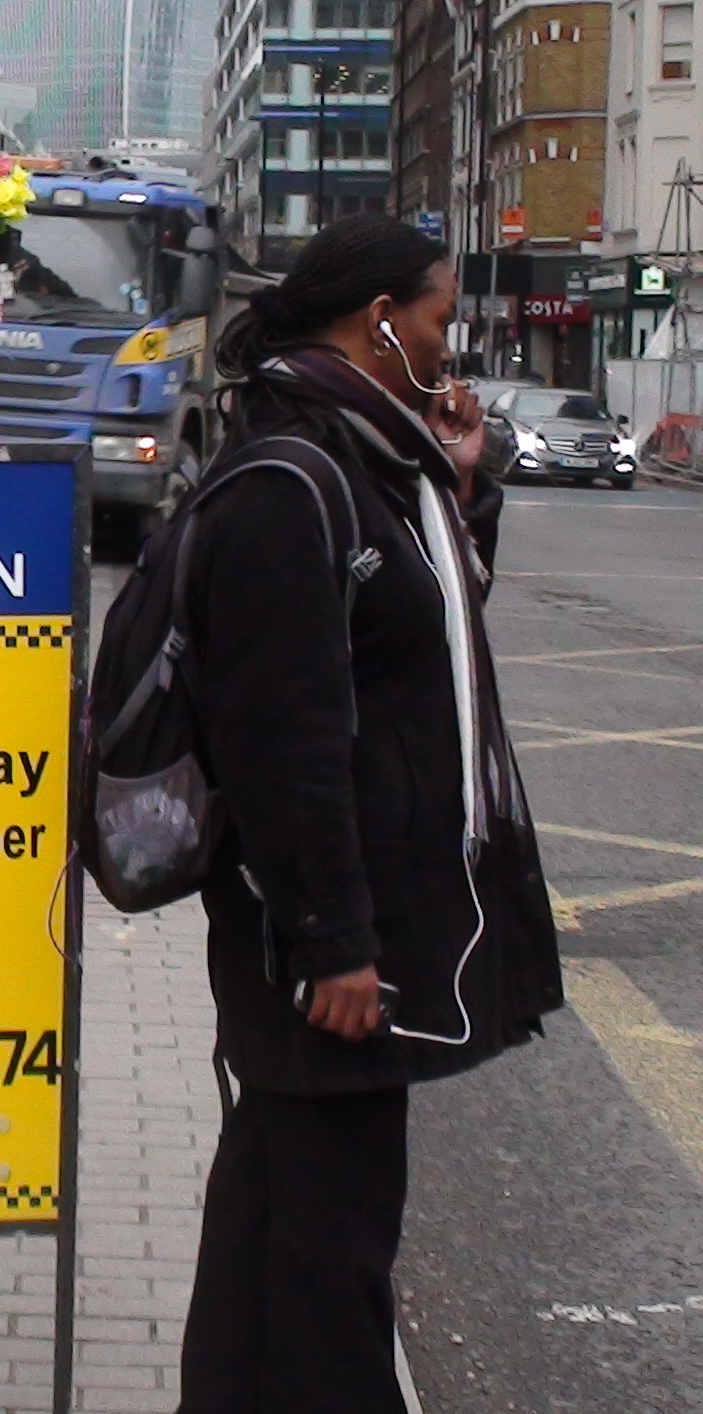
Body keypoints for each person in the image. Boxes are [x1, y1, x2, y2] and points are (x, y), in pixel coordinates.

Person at [177, 215, 564, 1413]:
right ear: (379, 319)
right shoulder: (293, 477)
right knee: (335, 1254)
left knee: (272, 1225)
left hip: (334, 927)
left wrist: (459, 485)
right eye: (442, 319)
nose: (453, 347)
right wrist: (332, 941)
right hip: (319, 941)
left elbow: (418, 635)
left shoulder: (361, 456)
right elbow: (282, 739)